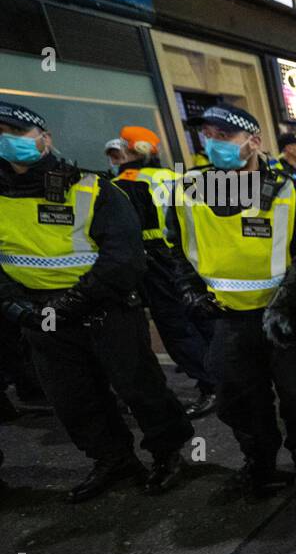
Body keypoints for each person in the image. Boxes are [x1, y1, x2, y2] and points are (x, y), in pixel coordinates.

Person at [0, 101, 192, 500]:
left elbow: (124, 258)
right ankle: (112, 459)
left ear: (45, 139)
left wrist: (72, 302)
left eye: (16, 132)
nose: (8, 141)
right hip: (39, 315)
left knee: (139, 386)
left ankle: (167, 454)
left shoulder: (92, 187)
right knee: (73, 397)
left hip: (104, 307)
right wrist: (15, 305)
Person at [168, 105, 296, 496]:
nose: (213, 144)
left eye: (224, 136)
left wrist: (289, 302)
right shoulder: (189, 189)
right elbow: (178, 247)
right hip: (226, 319)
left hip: (284, 316)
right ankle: (258, 461)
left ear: (254, 142)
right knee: (237, 397)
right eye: (207, 135)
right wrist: (190, 291)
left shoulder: (289, 191)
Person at [110, 125, 218, 419]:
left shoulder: (123, 184)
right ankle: (223, 376)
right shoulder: (175, 177)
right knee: (203, 318)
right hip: (188, 256)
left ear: (128, 150)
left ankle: (210, 386)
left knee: (175, 327)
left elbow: (121, 232)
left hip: (155, 261)